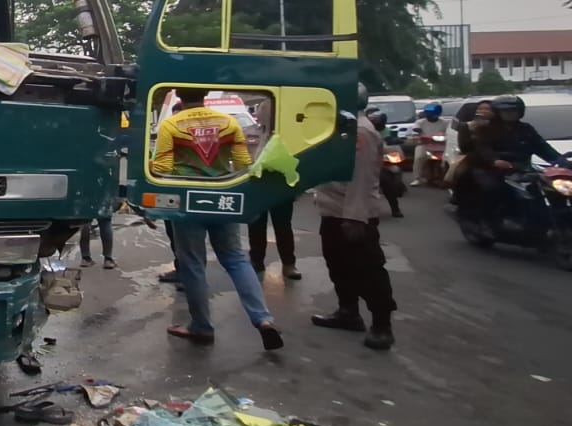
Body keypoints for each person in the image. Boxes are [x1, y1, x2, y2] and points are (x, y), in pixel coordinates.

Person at [152, 88, 283, 350]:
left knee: (192, 264)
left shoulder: (172, 124)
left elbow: (163, 168)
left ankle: (201, 326)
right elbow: (243, 162)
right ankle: (263, 319)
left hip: (188, 201)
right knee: (235, 259)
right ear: (205, 97)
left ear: (179, 98)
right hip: (223, 197)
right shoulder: (229, 123)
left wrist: (151, 168)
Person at [313, 93, 397, 350]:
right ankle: (348, 312)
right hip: (333, 210)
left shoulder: (360, 130)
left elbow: (361, 177)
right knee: (338, 266)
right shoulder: (342, 126)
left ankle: (382, 326)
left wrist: (354, 217)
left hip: (352, 214)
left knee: (368, 270)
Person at [468, 95, 572, 223]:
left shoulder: (526, 129)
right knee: (493, 190)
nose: (511, 114)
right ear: (498, 113)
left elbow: (542, 146)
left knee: (544, 189)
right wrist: (495, 161)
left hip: (522, 169)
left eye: (514, 111)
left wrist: (560, 160)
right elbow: (483, 148)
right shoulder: (486, 129)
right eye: (506, 111)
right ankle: (487, 223)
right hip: (492, 170)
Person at [248, 197, 301, 280]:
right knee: (256, 225)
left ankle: (288, 264)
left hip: (281, 190)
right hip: (256, 189)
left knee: (283, 226)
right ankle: (256, 261)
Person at [367, 110, 404, 218]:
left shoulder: (379, 134)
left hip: (374, 165)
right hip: (358, 166)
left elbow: (384, 147)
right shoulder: (360, 132)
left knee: (386, 182)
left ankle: (395, 209)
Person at [410, 102, 450, 186]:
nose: (429, 116)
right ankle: (417, 178)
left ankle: (448, 177)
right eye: (428, 114)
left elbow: (449, 133)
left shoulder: (445, 123)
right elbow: (416, 129)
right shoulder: (420, 122)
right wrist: (418, 133)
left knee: (448, 159)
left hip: (441, 146)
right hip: (425, 145)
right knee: (419, 157)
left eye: (432, 114)